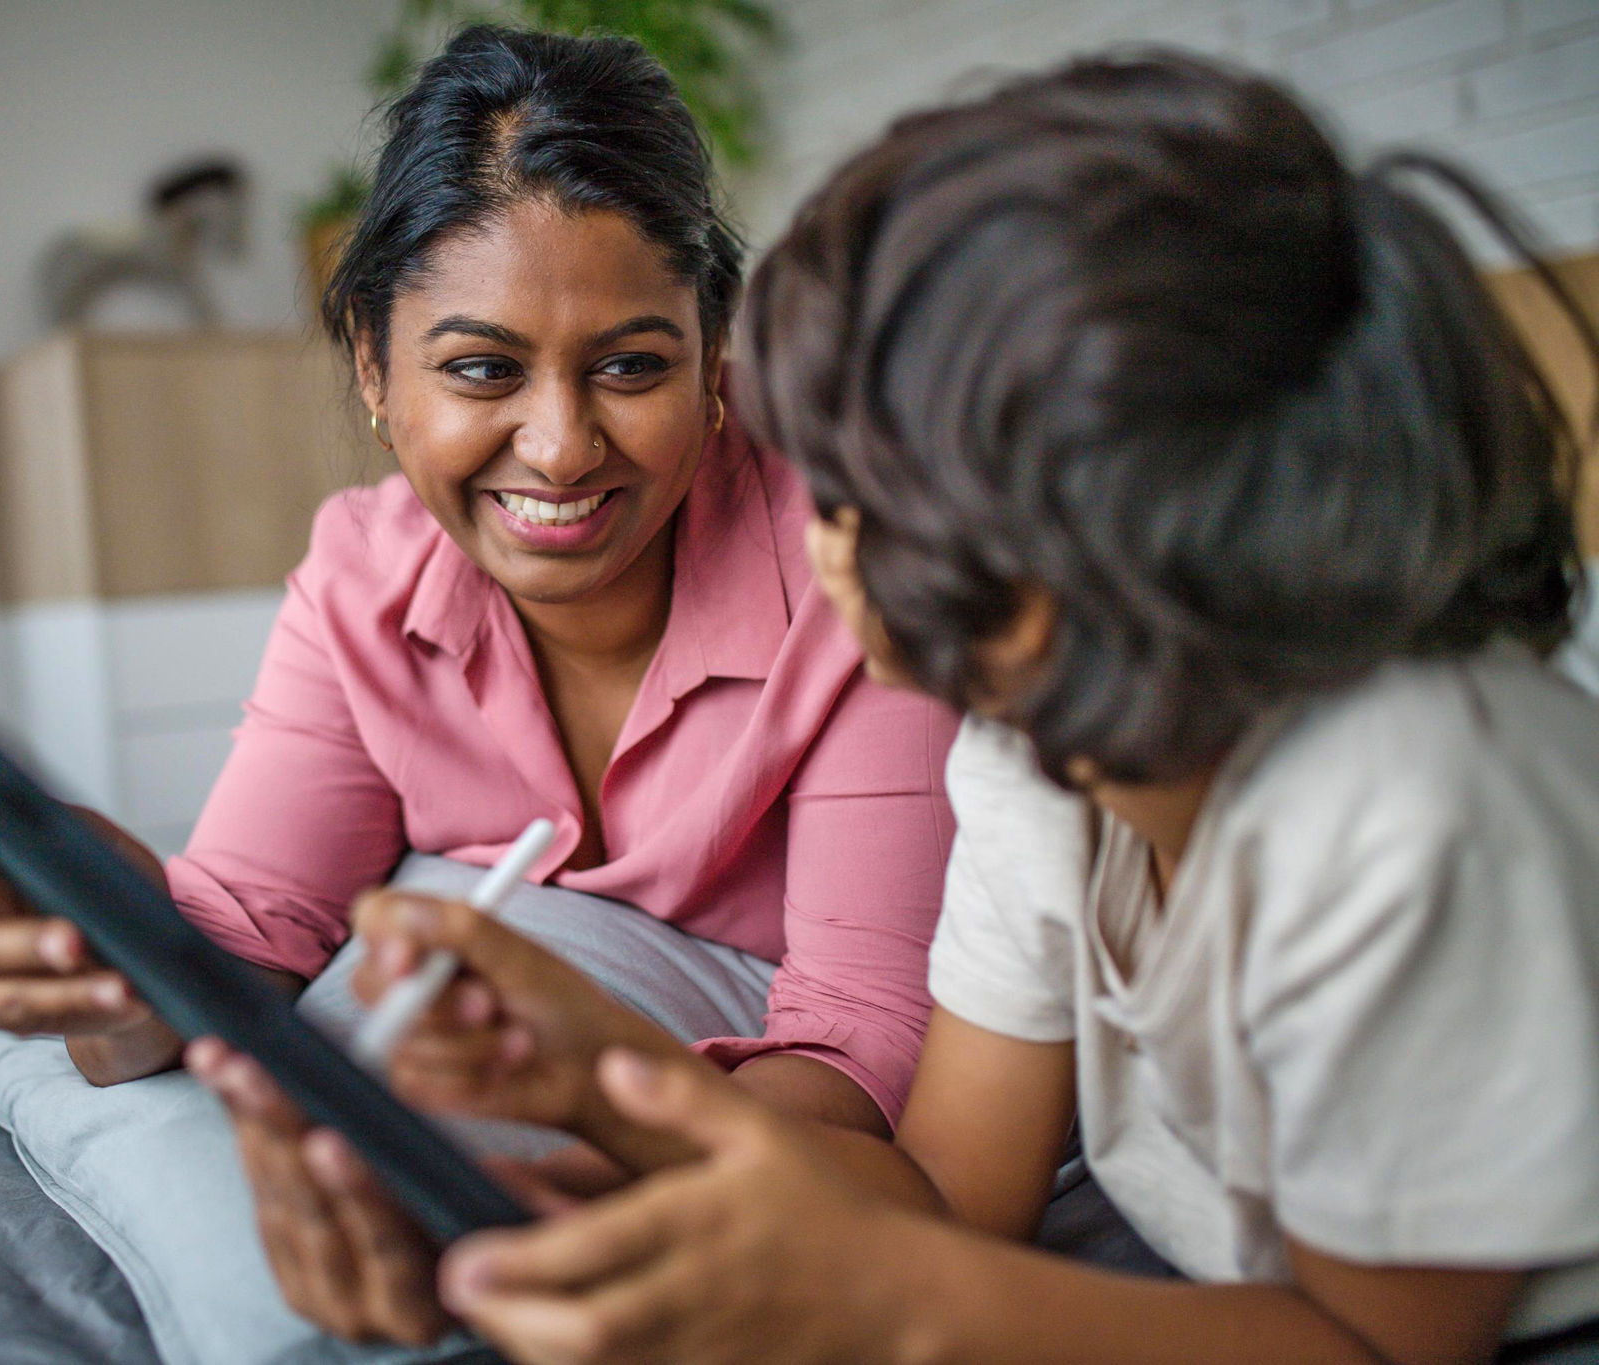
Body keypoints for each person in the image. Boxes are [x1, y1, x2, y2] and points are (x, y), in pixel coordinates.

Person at [285, 50, 1599, 1365]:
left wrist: (891, 1293)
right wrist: (597, 1087)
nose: (809, 533)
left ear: (1067, 549)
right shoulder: (1041, 758)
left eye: (853, 493)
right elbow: (950, 1193)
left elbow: (1384, 1345)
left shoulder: (1407, 802)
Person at [0, 24, 959, 1350]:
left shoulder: (854, 572)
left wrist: (603, 1140)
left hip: (743, 1053)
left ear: (715, 359)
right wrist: (105, 962)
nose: (560, 447)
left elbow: (861, 1067)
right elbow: (244, 941)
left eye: (632, 364)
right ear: (373, 374)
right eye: (481, 369)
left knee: (342, 1097)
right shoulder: (361, 574)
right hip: (504, 998)